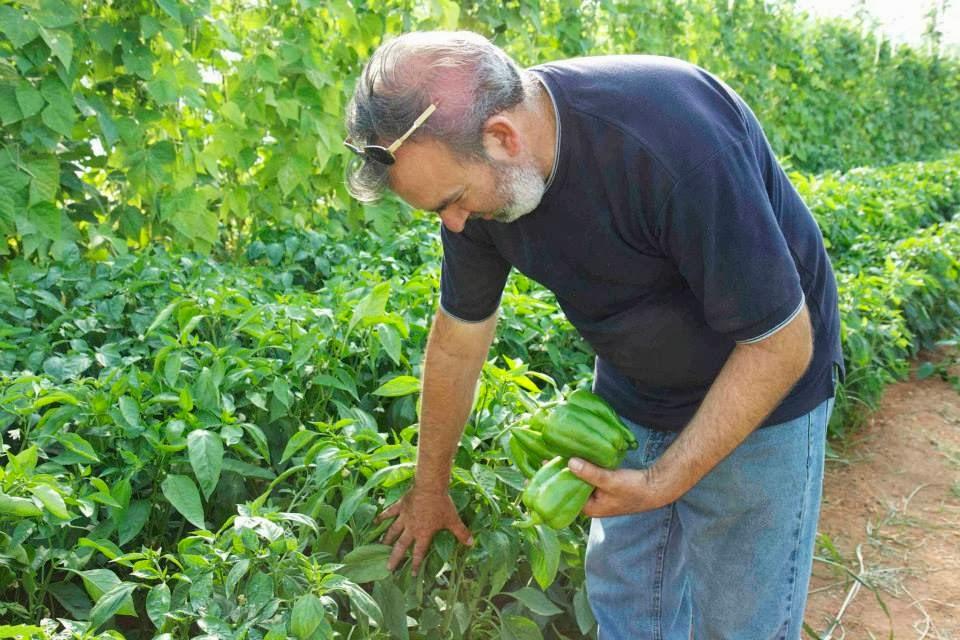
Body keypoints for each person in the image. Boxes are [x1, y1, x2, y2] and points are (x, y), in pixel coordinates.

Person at [342, 30, 843, 640]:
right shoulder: (472, 188)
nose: (453, 223)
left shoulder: (670, 138)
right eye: (436, 211)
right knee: (628, 601)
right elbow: (456, 341)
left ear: (503, 137)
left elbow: (779, 343)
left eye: (452, 200)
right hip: (634, 384)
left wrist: (663, 481)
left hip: (763, 382)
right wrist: (430, 485)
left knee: (741, 621)